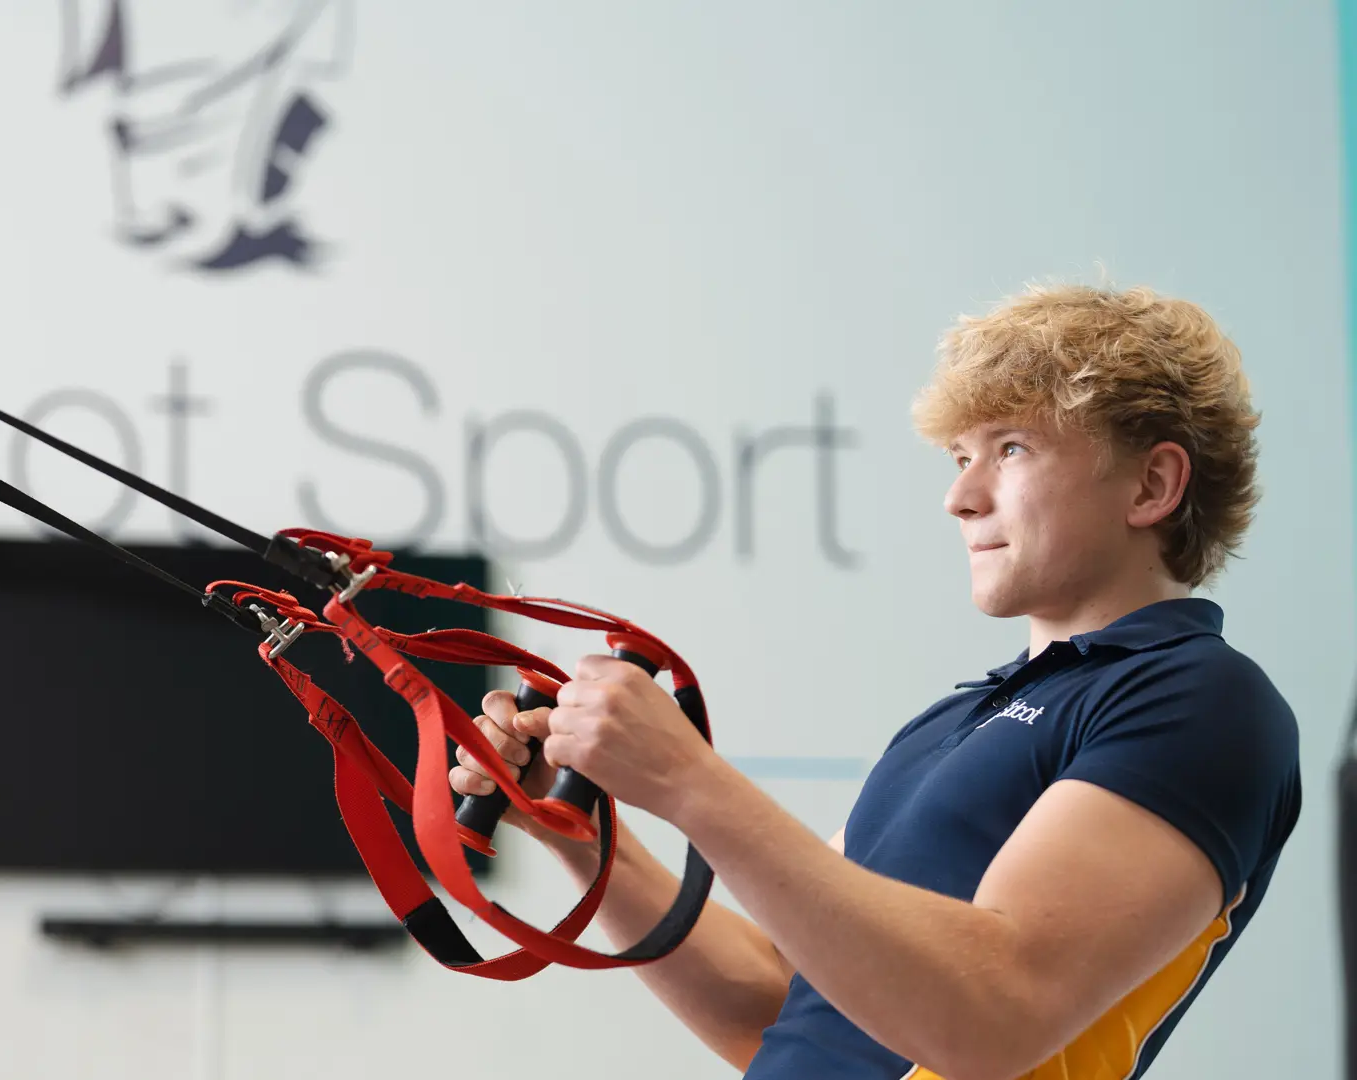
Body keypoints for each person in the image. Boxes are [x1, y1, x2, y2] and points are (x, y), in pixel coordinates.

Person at [450, 283, 1301, 1079]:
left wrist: (685, 779)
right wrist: (582, 834)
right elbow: (779, 999)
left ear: (1153, 484)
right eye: (959, 456)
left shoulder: (1201, 699)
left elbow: (998, 1010)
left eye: (1011, 449)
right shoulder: (955, 720)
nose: (960, 497)